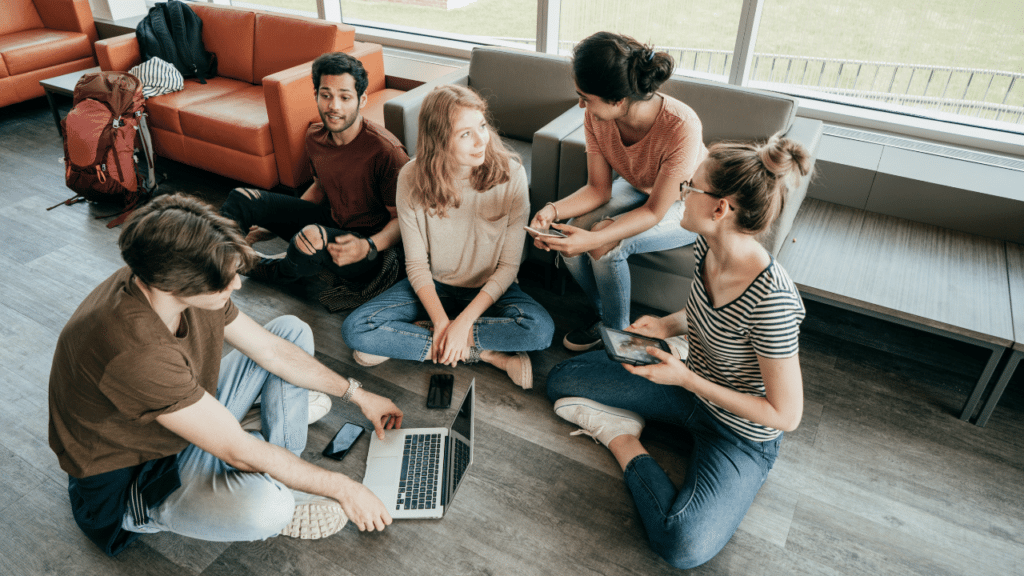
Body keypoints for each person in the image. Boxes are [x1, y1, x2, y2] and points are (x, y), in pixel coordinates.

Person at [48, 194, 404, 557]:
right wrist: (343, 487)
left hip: (171, 420)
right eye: (226, 282)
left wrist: (358, 395)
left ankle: (273, 460)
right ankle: (166, 505)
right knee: (269, 509)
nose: (236, 286)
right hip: (137, 476)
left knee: (290, 331)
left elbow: (272, 351)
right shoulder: (133, 349)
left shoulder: (167, 272)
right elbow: (237, 452)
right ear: (177, 285)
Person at [546, 136, 811, 569]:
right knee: (562, 380)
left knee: (681, 544)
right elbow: (705, 309)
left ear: (720, 208)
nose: (681, 194)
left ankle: (622, 438)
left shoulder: (773, 302)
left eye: (691, 186)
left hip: (739, 433)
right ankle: (637, 414)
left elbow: (786, 416)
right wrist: (667, 325)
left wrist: (685, 378)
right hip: (688, 386)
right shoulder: (708, 244)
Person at [342, 85, 555, 389]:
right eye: (465, 133)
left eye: (482, 126)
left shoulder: (511, 174)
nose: (482, 139)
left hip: (490, 288)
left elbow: (508, 268)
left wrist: (464, 321)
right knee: (356, 330)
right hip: (434, 285)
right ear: (439, 140)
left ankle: (416, 338)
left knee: (539, 331)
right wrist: (444, 324)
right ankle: (484, 355)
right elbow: (416, 266)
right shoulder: (411, 178)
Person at [529, 31, 708, 351]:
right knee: (570, 234)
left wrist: (596, 238)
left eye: (586, 96)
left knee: (604, 245)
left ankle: (621, 340)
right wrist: (552, 210)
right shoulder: (595, 117)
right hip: (640, 188)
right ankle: (606, 318)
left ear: (618, 100)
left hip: (688, 202)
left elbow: (656, 210)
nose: (581, 103)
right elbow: (598, 189)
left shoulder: (681, 125)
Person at [219, 52, 409, 299]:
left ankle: (255, 266)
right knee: (241, 198)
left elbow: (402, 220)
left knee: (308, 238)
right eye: (326, 95)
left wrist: (367, 246)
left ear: (361, 100)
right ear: (316, 96)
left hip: (365, 248)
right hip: (330, 221)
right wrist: (274, 227)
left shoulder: (386, 151)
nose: (334, 106)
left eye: (345, 97)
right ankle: (219, 261)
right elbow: (320, 189)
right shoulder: (315, 137)